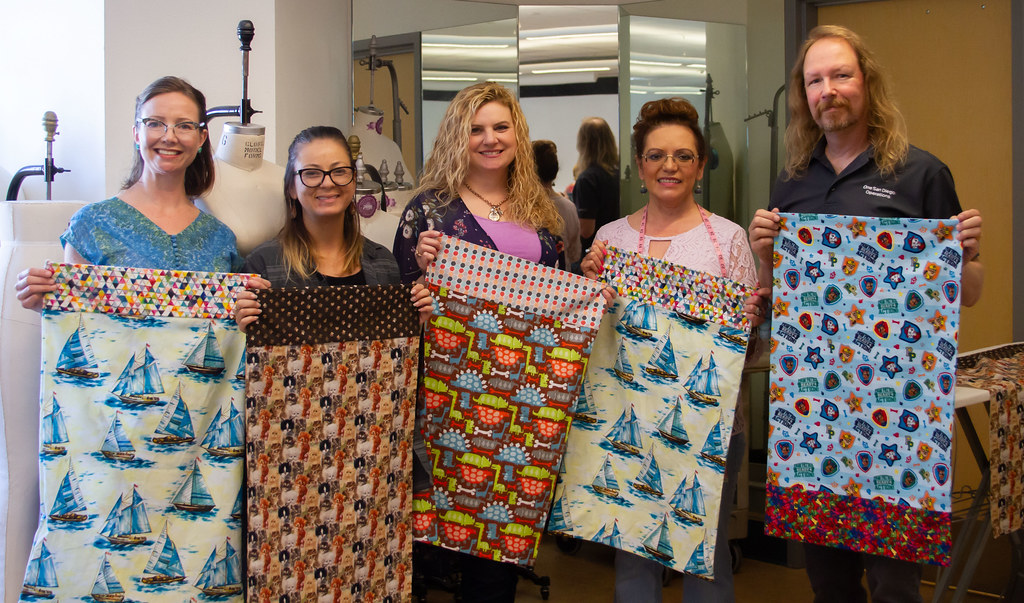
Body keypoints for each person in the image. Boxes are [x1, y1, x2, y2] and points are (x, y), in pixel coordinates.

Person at [748, 25, 983, 603]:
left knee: (895, 585)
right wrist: (764, 258)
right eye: (815, 81)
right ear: (805, 97)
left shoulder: (922, 173)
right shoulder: (793, 181)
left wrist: (965, 255)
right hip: (813, 419)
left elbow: (969, 292)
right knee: (828, 582)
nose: (829, 90)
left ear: (867, 83)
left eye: (842, 75)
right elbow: (781, 298)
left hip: (896, 418)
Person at [580, 97, 763, 603]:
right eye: (657, 155)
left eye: (684, 156)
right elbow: (589, 345)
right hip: (626, 423)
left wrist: (747, 327)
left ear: (701, 166)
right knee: (631, 561)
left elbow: (751, 352)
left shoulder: (728, 240)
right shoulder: (610, 241)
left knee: (706, 566)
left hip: (709, 429)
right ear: (639, 164)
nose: (670, 166)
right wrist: (588, 292)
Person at [394, 81, 564, 603]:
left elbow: (561, 296)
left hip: (526, 395)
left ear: (518, 134)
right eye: (475, 130)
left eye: (500, 127)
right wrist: (417, 267)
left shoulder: (541, 209)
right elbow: (398, 301)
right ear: (456, 137)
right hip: (452, 394)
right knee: (446, 525)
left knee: (504, 534)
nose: (489, 139)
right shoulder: (429, 210)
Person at [15, 76, 242, 309]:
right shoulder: (92, 224)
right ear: (136, 133)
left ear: (201, 138)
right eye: (155, 123)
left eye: (184, 125)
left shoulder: (220, 239)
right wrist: (44, 302)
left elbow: (230, 333)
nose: (169, 136)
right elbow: (76, 326)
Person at [233, 125, 430, 328]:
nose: (327, 183)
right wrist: (242, 327)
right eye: (311, 173)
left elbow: (392, 352)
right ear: (292, 187)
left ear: (353, 180)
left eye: (339, 171)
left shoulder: (383, 263)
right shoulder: (264, 266)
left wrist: (411, 322)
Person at [572, 116, 620, 251]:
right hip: (613, 249)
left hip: (593, 254)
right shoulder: (617, 174)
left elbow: (586, 230)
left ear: (583, 143)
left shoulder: (587, 179)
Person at [533, 139, 582, 266]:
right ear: (555, 173)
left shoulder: (520, 207)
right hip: (563, 278)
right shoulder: (569, 207)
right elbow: (575, 254)